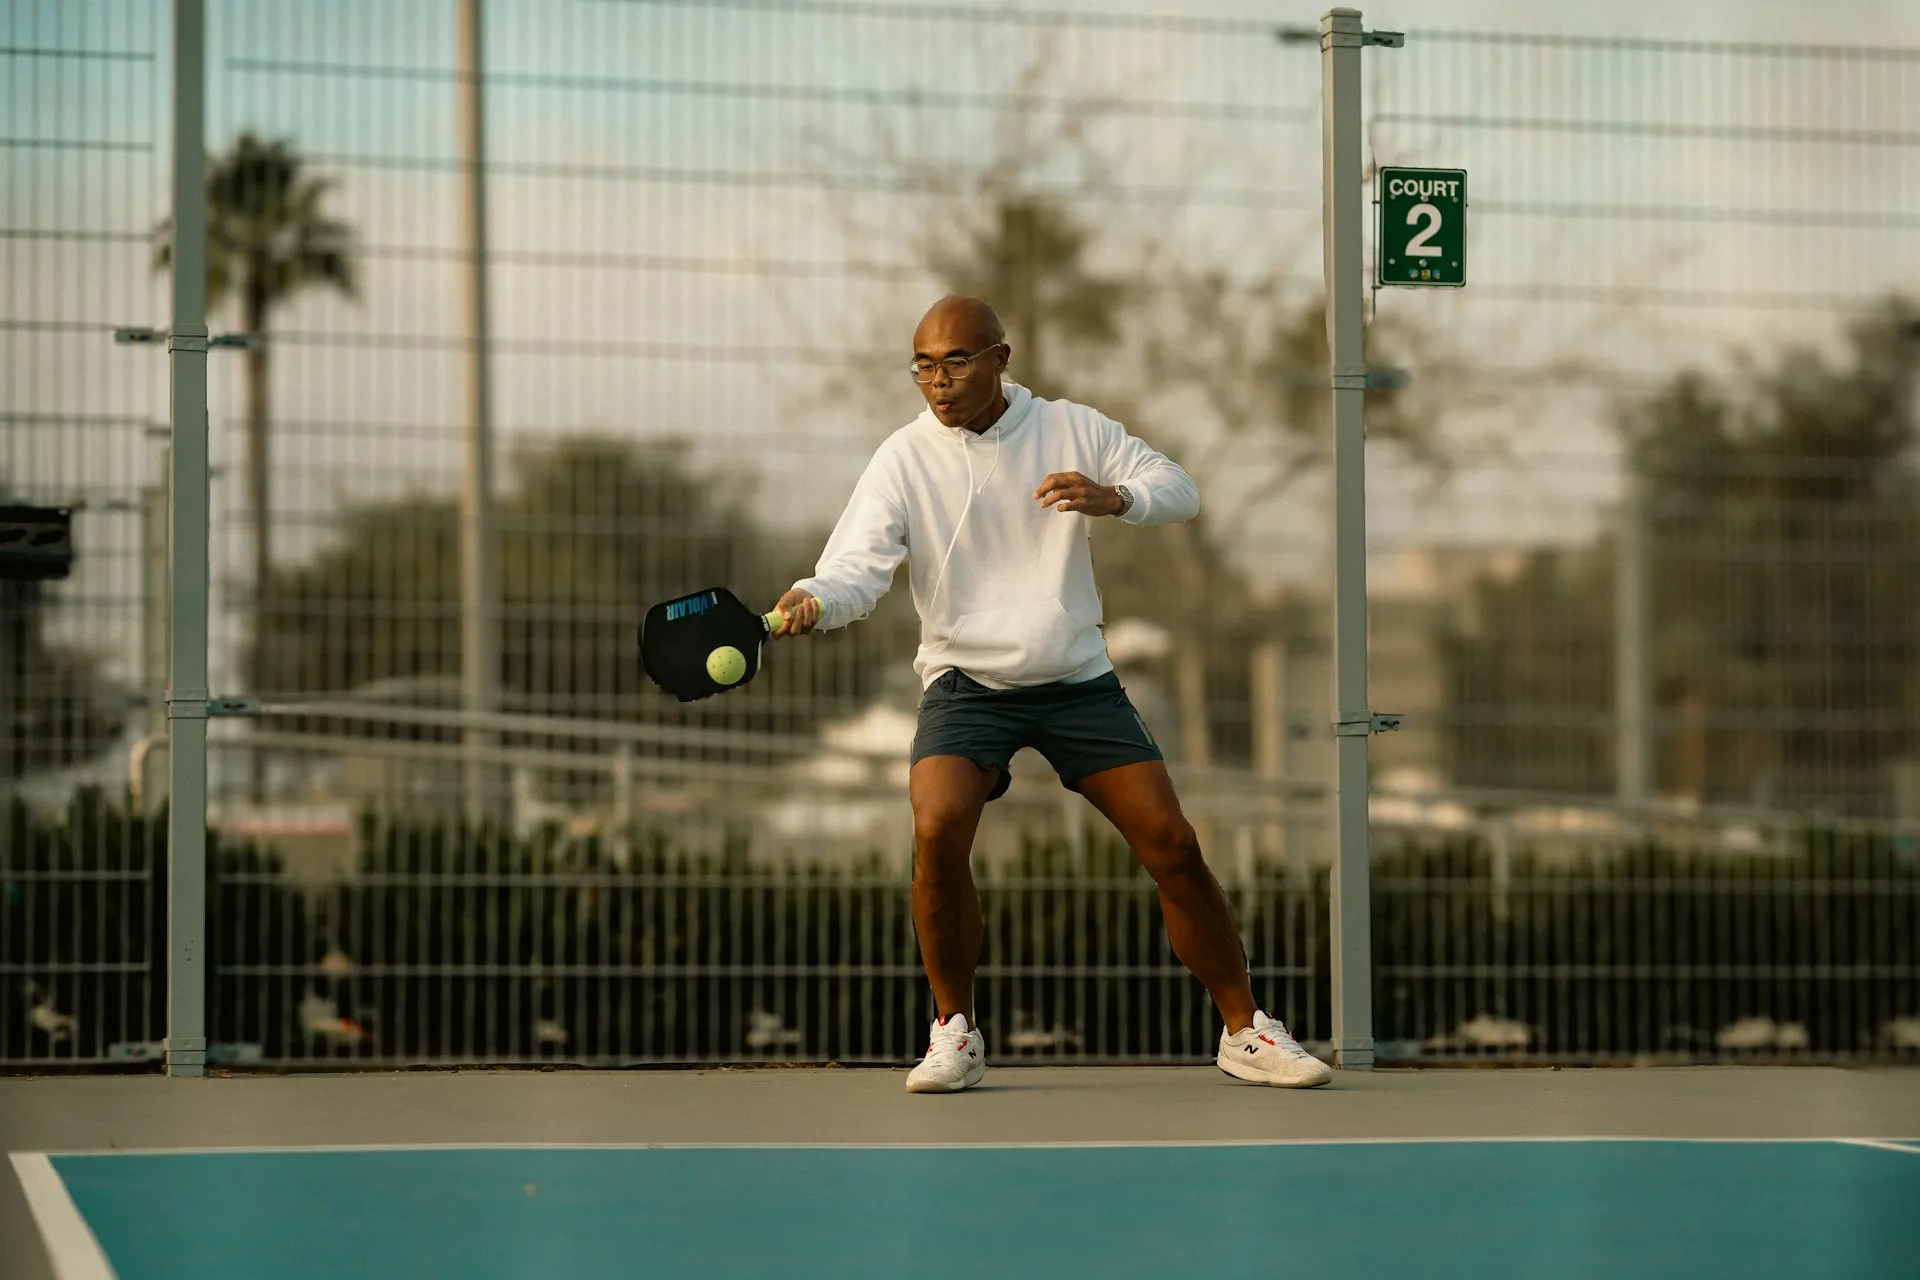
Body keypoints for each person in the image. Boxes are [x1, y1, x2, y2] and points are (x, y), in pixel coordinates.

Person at [773, 296, 1330, 1093]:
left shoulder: (1073, 427)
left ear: (1002, 358)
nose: (939, 381)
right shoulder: (902, 458)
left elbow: (1177, 487)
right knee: (936, 828)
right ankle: (953, 1033)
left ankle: (1246, 1032)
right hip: (966, 685)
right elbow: (856, 569)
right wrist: (817, 599)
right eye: (924, 366)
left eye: (957, 362)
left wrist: (1117, 498)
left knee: (1172, 843)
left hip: (1076, 681)